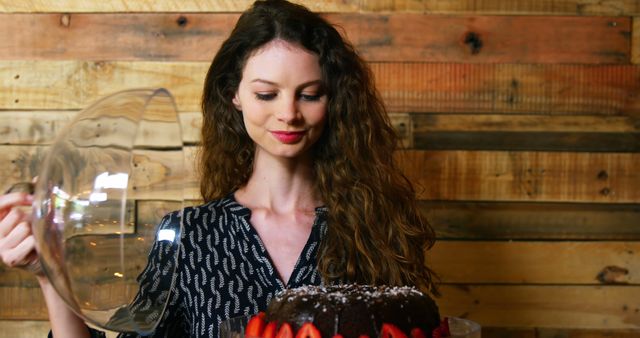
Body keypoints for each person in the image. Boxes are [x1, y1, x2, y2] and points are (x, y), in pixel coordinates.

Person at [0, 0, 438, 337]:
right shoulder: (189, 238)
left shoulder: (373, 227)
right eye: (267, 94)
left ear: (334, 100)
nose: (288, 114)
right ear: (234, 94)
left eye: (309, 94)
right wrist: (48, 275)